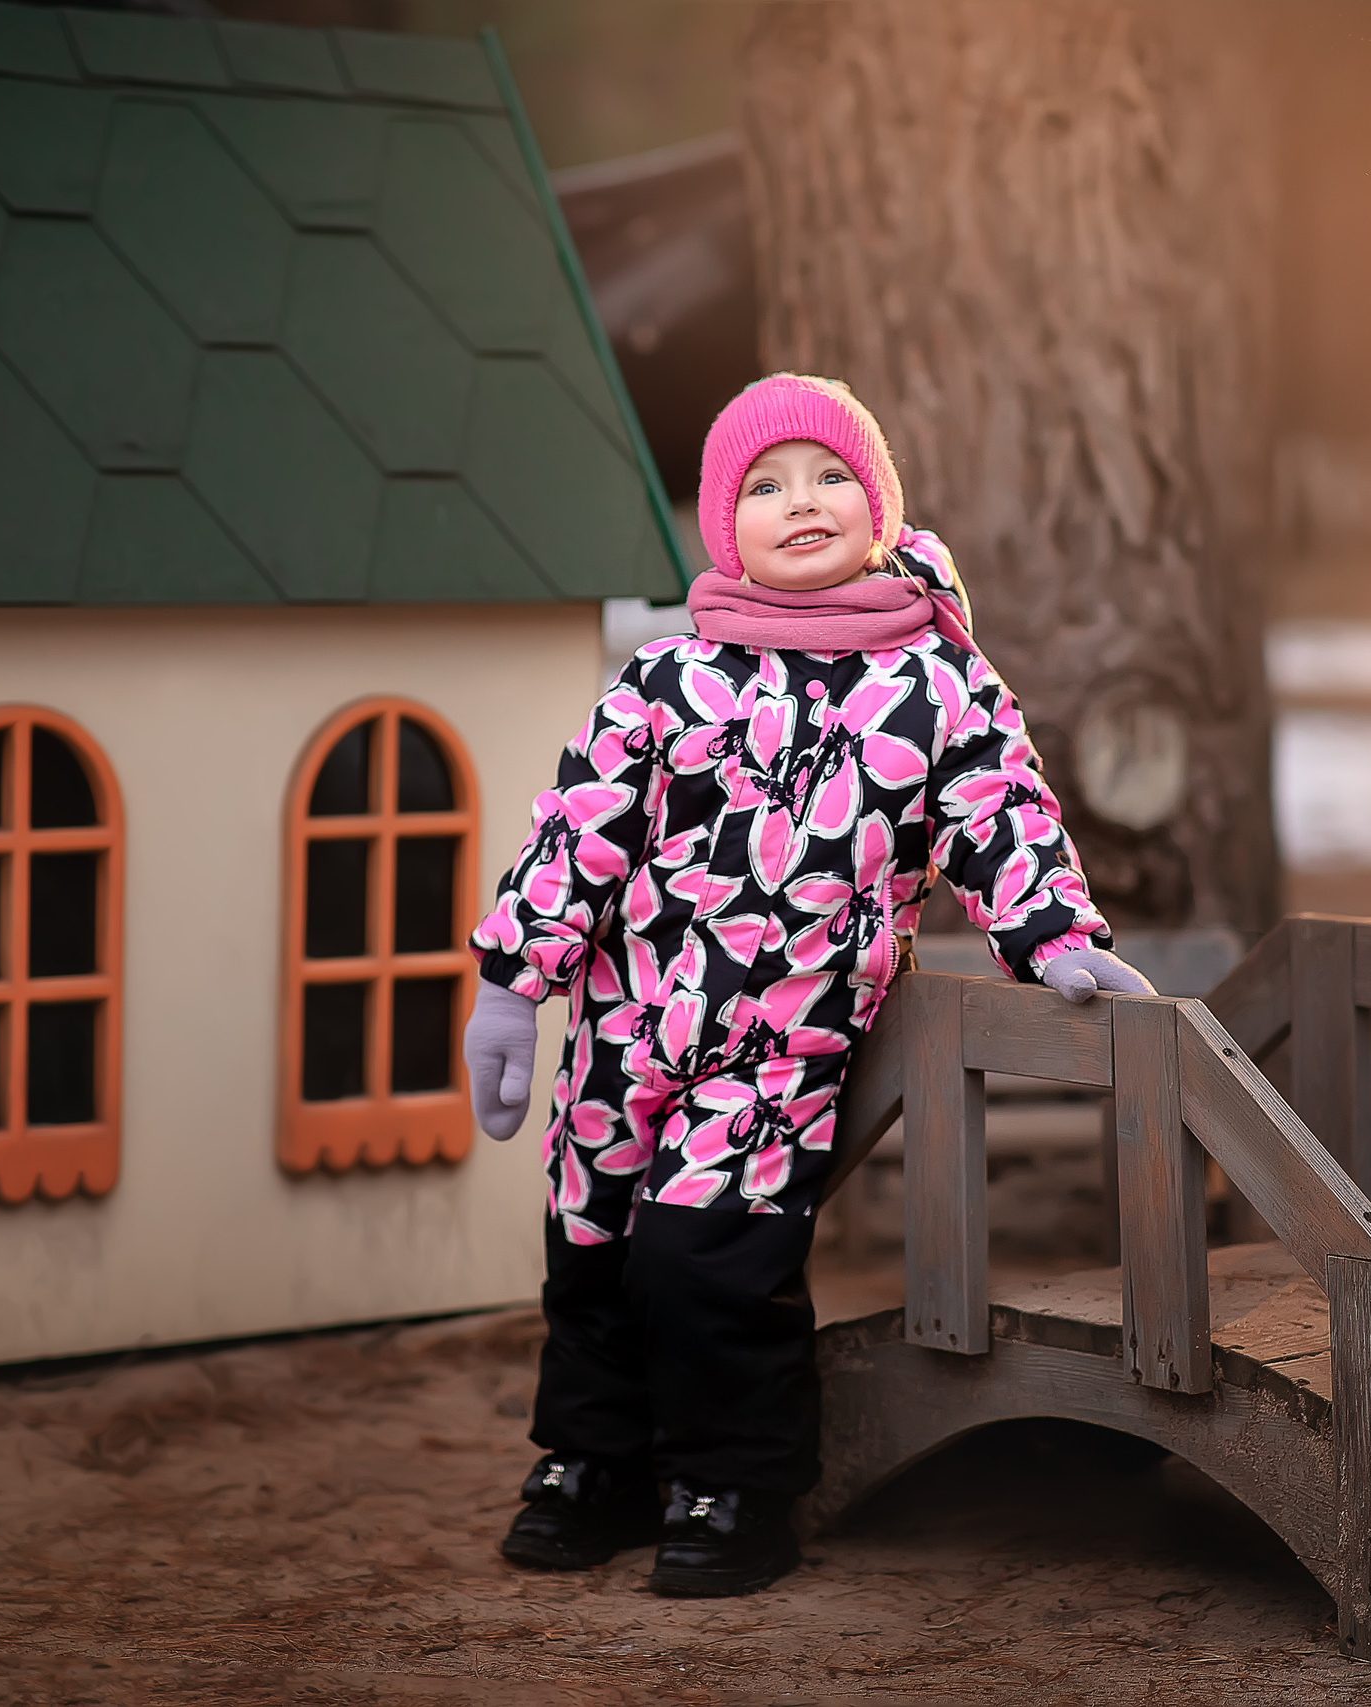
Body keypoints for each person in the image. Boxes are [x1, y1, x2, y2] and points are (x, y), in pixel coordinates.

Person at [460, 373, 1152, 1598]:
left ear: (878, 503)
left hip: (779, 1047)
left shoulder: (933, 682)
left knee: (706, 1258)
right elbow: (578, 830)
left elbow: (998, 810)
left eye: (833, 477)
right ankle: (596, 1459)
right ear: (726, 524)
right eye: (766, 485)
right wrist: (515, 981)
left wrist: (1046, 931)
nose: (804, 502)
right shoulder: (665, 678)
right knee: (595, 1244)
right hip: (625, 1026)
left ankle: (736, 1485)